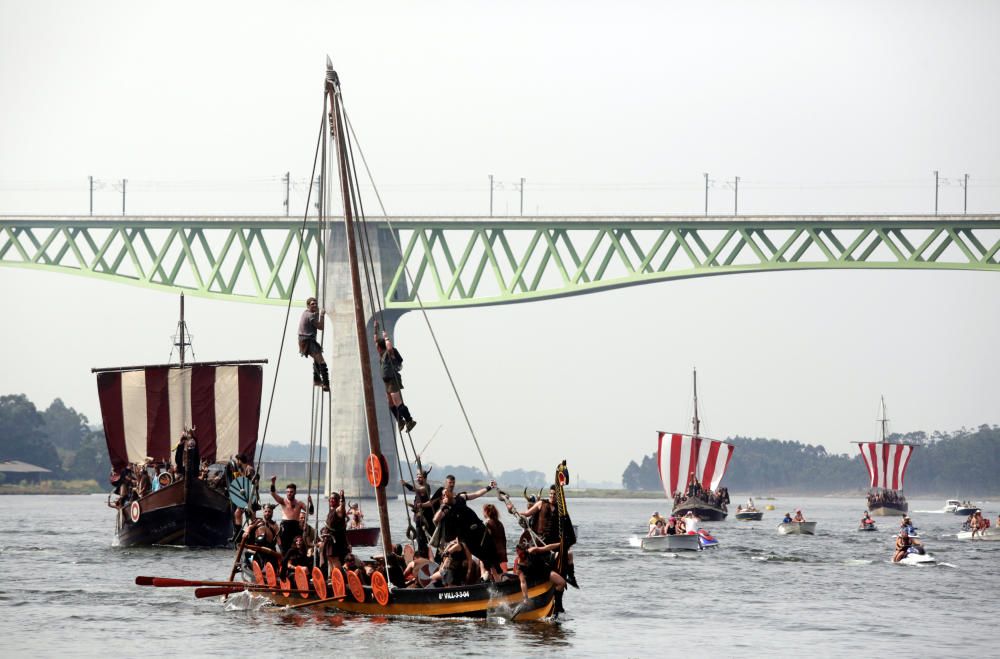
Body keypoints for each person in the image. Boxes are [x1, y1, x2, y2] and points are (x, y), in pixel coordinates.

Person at [506, 484, 578, 588]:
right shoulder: (541, 503)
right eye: (551, 494)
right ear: (549, 494)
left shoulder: (562, 511)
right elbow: (526, 514)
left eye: (555, 495)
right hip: (539, 542)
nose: (552, 496)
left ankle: (570, 577)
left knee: (569, 554)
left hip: (553, 544)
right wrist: (512, 511)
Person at [432, 475, 502, 580]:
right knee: (484, 558)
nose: (444, 497)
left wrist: (489, 487)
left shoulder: (461, 497)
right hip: (468, 539)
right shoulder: (446, 509)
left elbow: (476, 494)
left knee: (491, 555)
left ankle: (497, 577)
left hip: (478, 530)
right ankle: (489, 576)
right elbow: (435, 520)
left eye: (445, 495)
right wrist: (442, 507)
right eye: (443, 496)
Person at [373, 321, 415, 433]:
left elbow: (390, 348)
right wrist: (376, 329)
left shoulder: (389, 353)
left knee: (397, 402)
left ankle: (409, 420)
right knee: (390, 403)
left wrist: (386, 338)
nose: (376, 348)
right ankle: (400, 420)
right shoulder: (381, 354)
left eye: (378, 347)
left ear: (381, 348)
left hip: (393, 380)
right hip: (387, 382)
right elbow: (375, 341)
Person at [513, 539, 567, 617]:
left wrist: (560, 544)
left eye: (523, 555)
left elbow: (546, 548)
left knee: (562, 583)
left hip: (545, 571)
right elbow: (523, 582)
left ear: (525, 551)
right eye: (519, 555)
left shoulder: (531, 551)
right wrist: (525, 598)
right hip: (535, 578)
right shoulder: (519, 568)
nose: (524, 559)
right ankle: (555, 606)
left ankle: (558, 605)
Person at [269, 477, 314, 552]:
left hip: (296, 526)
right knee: (285, 548)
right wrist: (273, 482)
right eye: (288, 492)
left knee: (297, 548)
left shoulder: (299, 503)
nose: (289, 493)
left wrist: (311, 502)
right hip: (285, 526)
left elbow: (311, 512)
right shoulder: (283, 501)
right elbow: (273, 493)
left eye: (291, 492)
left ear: (295, 492)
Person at [298, 296, 329, 392]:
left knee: (317, 359)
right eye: (312, 304)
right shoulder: (310, 316)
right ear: (308, 306)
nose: (315, 305)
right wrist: (322, 315)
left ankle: (316, 380)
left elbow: (314, 315)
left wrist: (317, 312)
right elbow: (320, 327)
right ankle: (326, 384)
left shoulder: (306, 312)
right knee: (322, 362)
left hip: (305, 340)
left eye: (316, 303)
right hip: (307, 341)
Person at [319, 490, 349, 572]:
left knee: (334, 559)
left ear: (337, 500)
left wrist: (342, 498)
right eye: (330, 498)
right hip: (329, 539)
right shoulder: (331, 511)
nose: (331, 500)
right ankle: (333, 578)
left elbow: (342, 506)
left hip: (335, 539)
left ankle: (339, 578)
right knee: (330, 558)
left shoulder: (338, 510)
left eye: (334, 498)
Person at [483, 503, 509, 574]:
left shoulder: (488, 523)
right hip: (502, 551)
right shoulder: (500, 523)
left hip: (494, 552)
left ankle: (484, 578)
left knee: (482, 559)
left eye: (484, 511)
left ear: (487, 512)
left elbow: (485, 538)